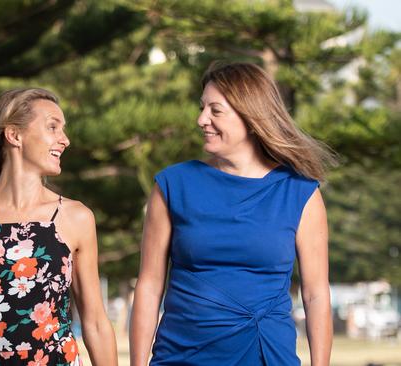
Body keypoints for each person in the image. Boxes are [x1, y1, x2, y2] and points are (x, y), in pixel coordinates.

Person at [130, 62, 334, 365]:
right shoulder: (173, 185)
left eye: (216, 110)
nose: (201, 119)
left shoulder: (300, 193)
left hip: (266, 354)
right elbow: (148, 286)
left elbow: (316, 294)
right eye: (202, 108)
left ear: (250, 117)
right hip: (183, 356)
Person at [0, 88, 117, 366]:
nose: (65, 140)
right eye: (53, 127)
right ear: (14, 135)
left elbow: (96, 323)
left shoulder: (76, 218)